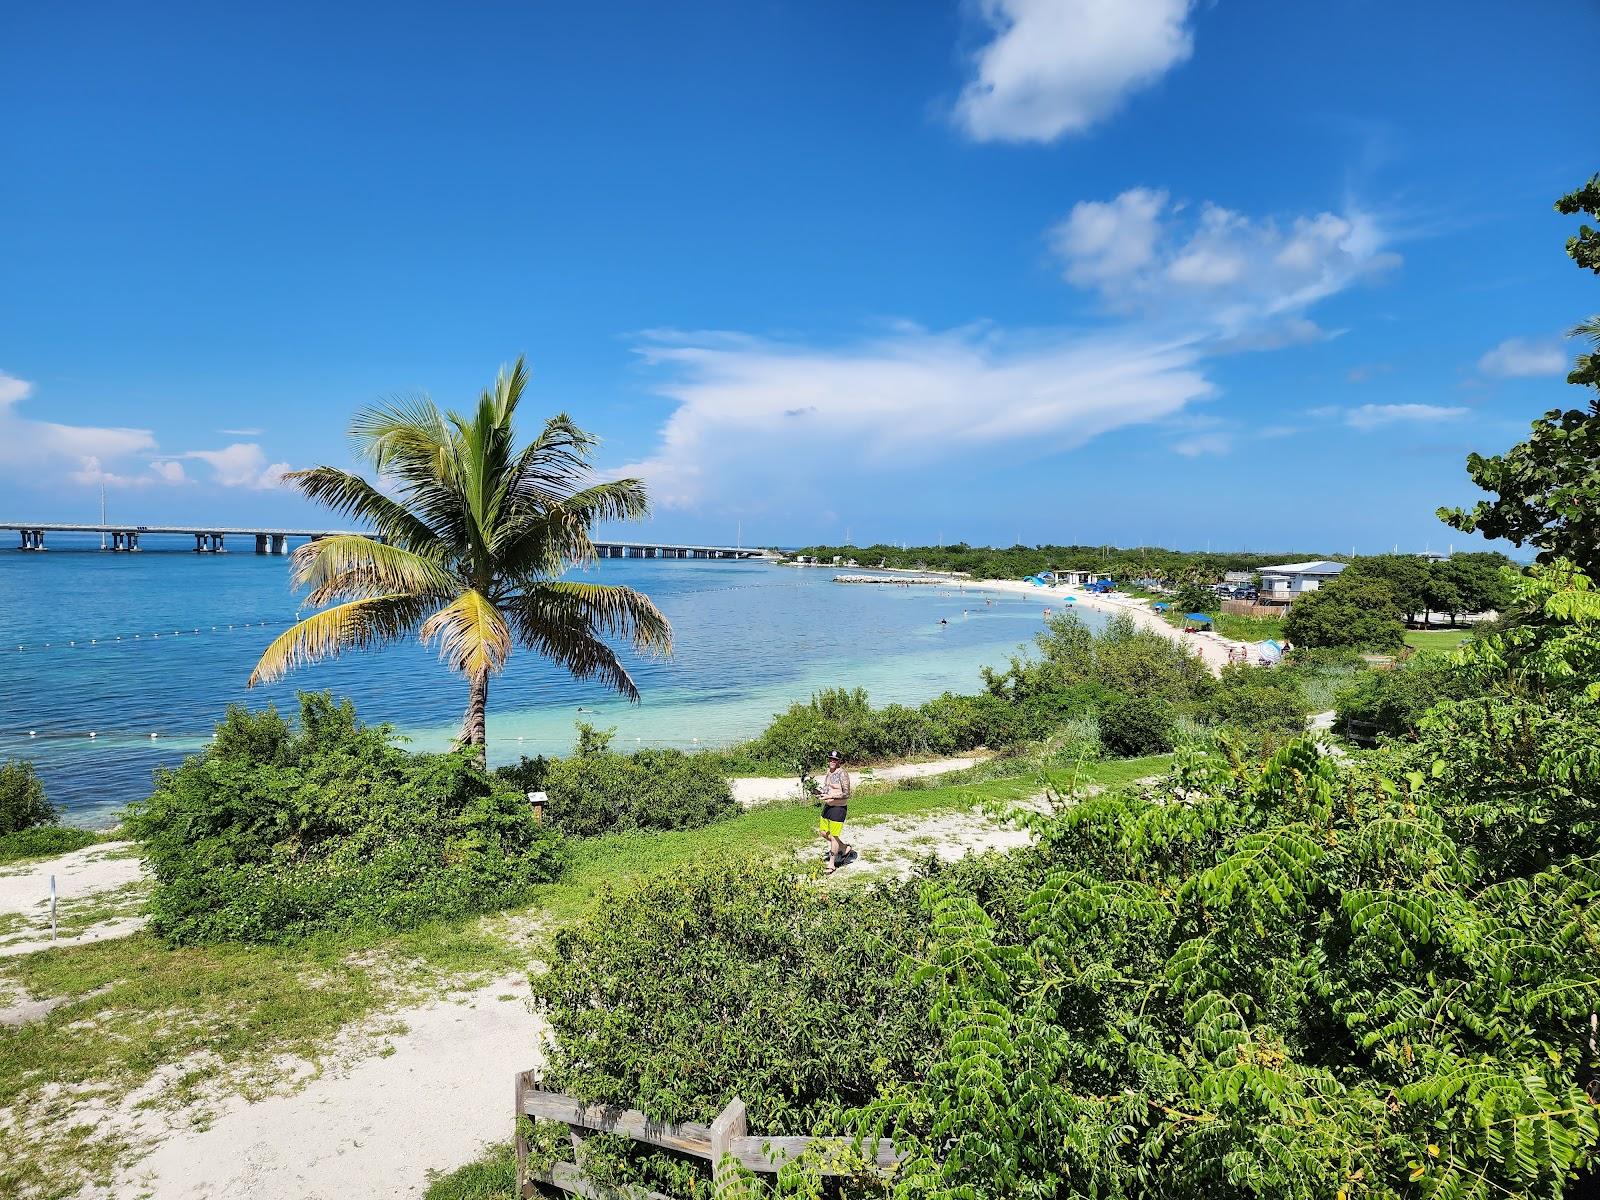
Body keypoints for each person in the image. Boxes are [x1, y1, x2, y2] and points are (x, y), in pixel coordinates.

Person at [816, 750, 854, 873]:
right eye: (831, 759)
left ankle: (831, 864)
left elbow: (847, 794)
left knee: (833, 836)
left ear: (839, 761)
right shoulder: (829, 771)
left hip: (839, 808)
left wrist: (831, 797)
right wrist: (820, 793)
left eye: (835, 759)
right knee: (823, 832)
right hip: (828, 806)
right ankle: (844, 847)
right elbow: (827, 788)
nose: (832, 761)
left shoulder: (842, 774)